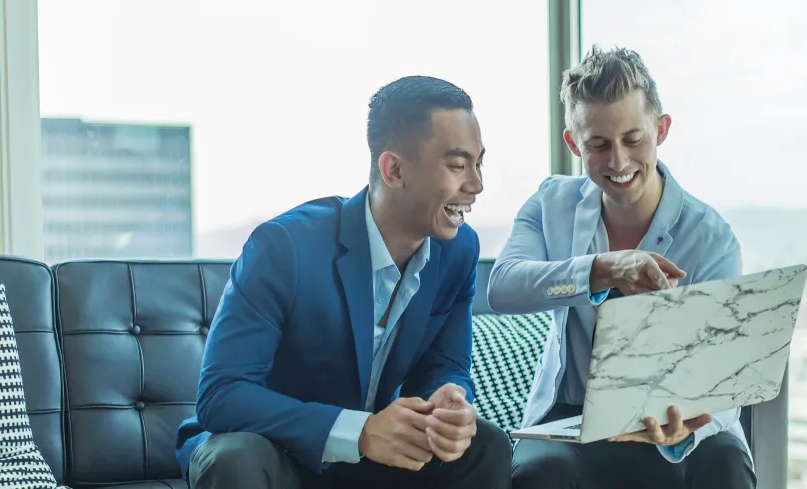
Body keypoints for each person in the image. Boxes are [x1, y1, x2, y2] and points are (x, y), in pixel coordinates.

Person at [176, 76, 510, 489]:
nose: (476, 185)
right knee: (236, 458)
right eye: (458, 166)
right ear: (394, 169)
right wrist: (360, 432)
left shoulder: (458, 250)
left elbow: (447, 365)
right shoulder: (285, 247)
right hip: (277, 452)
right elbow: (222, 395)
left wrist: (450, 402)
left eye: (479, 164)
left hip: (376, 458)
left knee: (486, 445)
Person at [487, 47, 755, 489]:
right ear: (573, 144)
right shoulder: (548, 206)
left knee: (724, 460)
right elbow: (503, 288)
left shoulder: (711, 238)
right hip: (570, 417)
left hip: (676, 418)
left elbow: (725, 378)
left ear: (661, 129)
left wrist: (688, 426)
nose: (618, 161)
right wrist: (602, 269)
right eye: (598, 145)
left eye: (634, 139)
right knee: (539, 473)